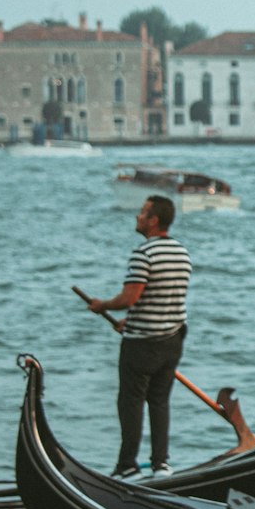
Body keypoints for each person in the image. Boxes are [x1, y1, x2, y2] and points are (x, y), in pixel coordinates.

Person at [87, 195, 192, 478]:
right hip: (172, 340)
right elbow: (163, 298)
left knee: (130, 401)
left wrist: (103, 305)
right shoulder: (182, 253)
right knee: (159, 401)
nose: (137, 216)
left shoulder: (143, 253)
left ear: (154, 220)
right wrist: (129, 321)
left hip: (142, 344)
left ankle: (127, 466)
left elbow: (131, 297)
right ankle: (161, 464)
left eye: (142, 213)